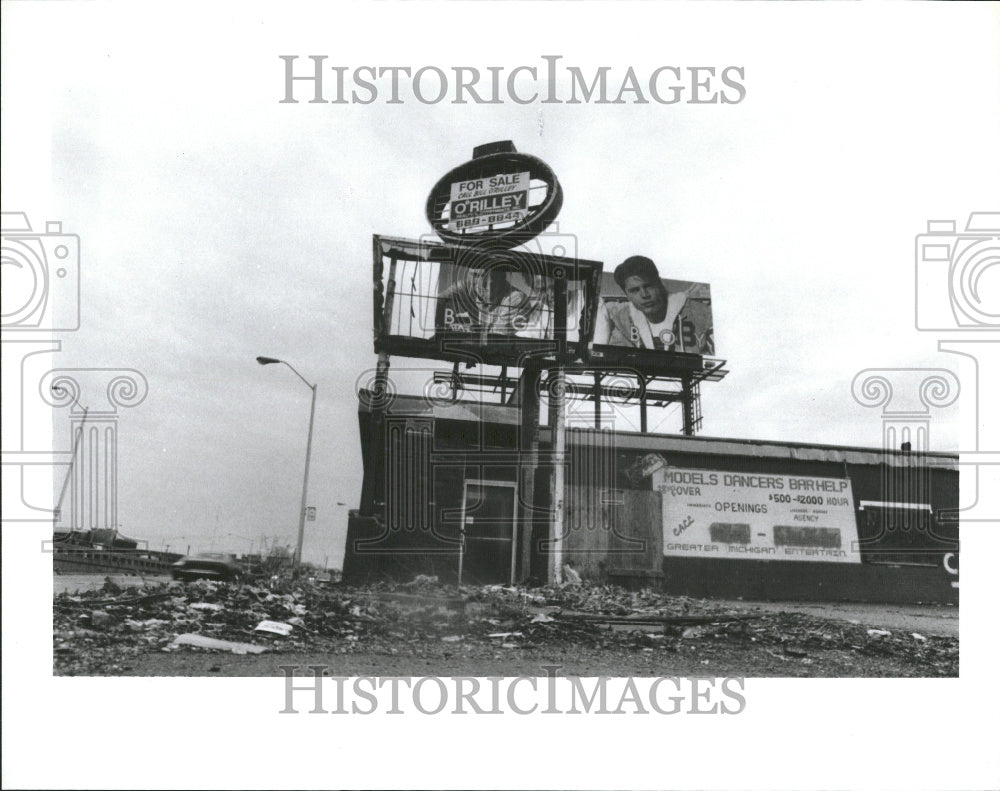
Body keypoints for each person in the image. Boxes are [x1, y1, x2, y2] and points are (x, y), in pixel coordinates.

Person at [593, 255, 713, 354]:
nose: (644, 295)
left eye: (648, 286)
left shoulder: (702, 314)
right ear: (627, 295)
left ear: (659, 283)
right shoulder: (622, 321)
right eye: (635, 290)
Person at [435, 265, 534, 337]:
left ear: (502, 278)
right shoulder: (466, 287)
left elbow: (495, 340)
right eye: (478, 276)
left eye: (493, 277)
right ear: (471, 277)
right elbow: (437, 301)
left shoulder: (515, 298)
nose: (486, 284)